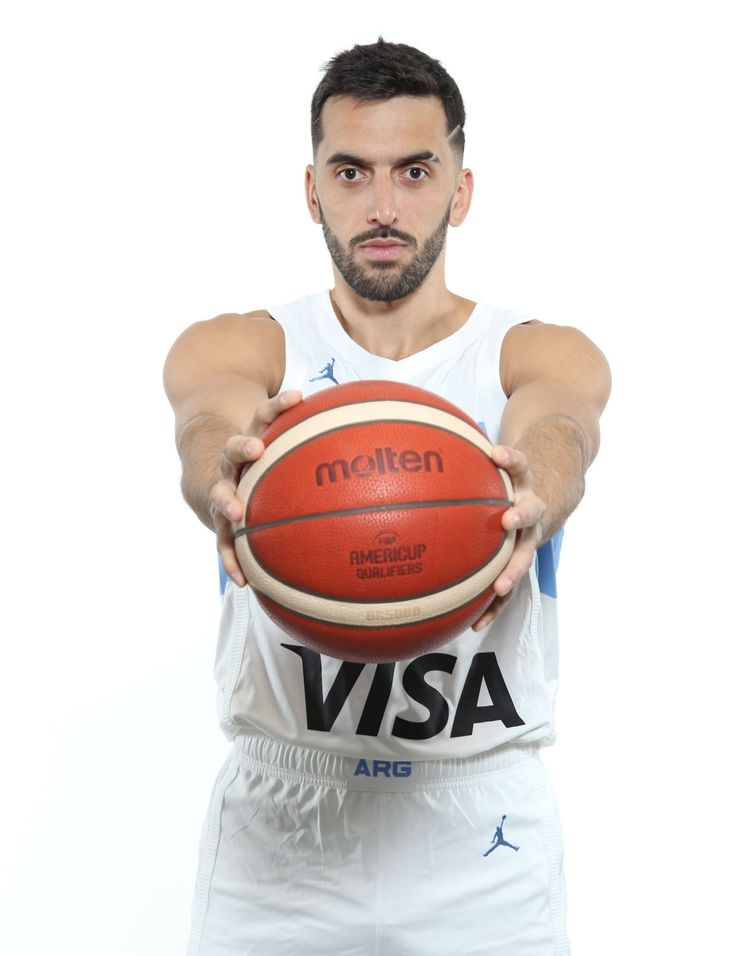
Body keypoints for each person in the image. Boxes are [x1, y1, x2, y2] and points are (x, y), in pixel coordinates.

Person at [164, 38, 610, 956]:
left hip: (479, 828)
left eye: (414, 171)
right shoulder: (246, 345)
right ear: (311, 190)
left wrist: (536, 490)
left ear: (461, 189)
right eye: (350, 172)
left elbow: (563, 428)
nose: (382, 206)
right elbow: (209, 417)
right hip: (283, 829)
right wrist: (220, 474)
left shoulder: (536, 352)